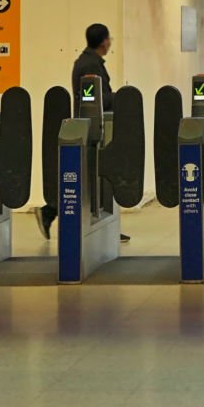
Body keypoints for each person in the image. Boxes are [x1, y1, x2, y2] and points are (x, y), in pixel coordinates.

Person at [36, 24, 129, 243]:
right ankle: (50, 211)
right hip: (90, 130)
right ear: (104, 41)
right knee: (92, 176)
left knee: (93, 178)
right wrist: (121, 98)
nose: (110, 43)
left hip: (91, 127)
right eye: (109, 39)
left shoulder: (88, 61)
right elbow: (94, 98)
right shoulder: (90, 65)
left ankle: (105, 225)